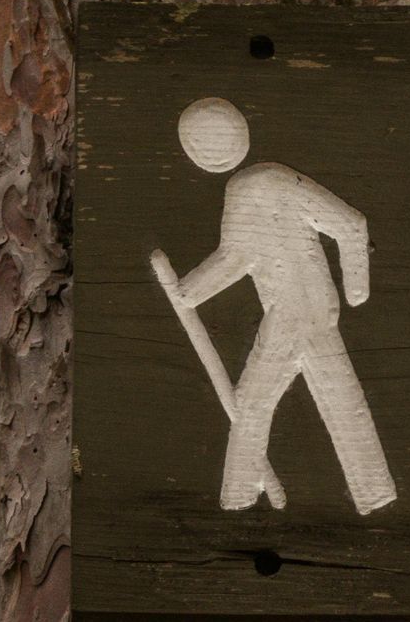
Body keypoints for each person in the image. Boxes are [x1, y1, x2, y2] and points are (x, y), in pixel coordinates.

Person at [151, 97, 397, 515]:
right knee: (341, 401)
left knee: (252, 401)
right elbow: (351, 226)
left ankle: (239, 495)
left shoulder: (246, 189)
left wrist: (189, 292)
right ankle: (373, 491)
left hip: (291, 314)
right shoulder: (278, 179)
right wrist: (354, 292)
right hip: (318, 309)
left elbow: (237, 257)